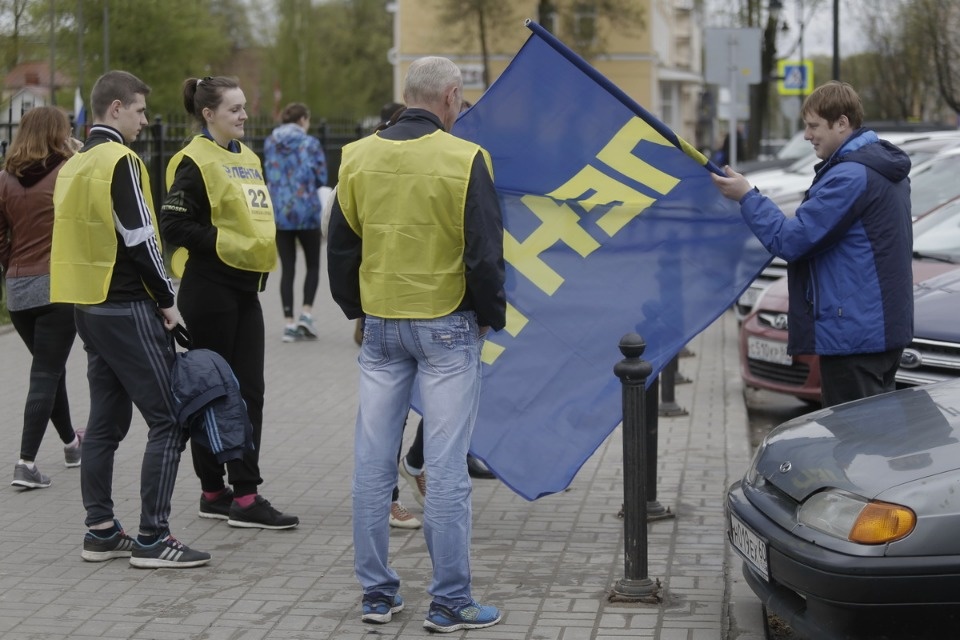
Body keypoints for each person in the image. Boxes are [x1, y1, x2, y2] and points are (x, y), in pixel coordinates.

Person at [327, 56, 506, 632]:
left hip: (381, 324)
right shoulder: (466, 158)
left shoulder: (357, 155)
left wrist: (357, 309)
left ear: (409, 95)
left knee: (370, 463)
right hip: (448, 325)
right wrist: (489, 316)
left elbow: (342, 246)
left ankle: (377, 596)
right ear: (451, 97)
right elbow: (484, 251)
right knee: (448, 469)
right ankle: (451, 602)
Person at [50, 70, 209, 567]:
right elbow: (141, 237)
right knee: (169, 419)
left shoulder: (76, 163)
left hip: (87, 305)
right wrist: (168, 301)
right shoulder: (121, 160)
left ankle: (99, 530)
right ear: (115, 109)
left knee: (105, 423)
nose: (145, 120)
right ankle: (154, 537)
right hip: (126, 306)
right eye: (140, 110)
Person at [712, 81, 912, 407]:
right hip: (877, 329)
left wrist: (747, 197)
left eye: (813, 125)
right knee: (873, 441)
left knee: (855, 444)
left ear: (842, 123)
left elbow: (791, 240)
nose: (807, 135)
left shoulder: (852, 176)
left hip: (855, 335)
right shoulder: (878, 167)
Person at [160, 75, 298, 530]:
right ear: (208, 114)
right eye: (234, 109)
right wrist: (223, 243)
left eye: (243, 107)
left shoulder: (250, 157)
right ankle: (225, 493)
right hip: (208, 290)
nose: (243, 115)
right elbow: (174, 225)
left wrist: (242, 249)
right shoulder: (194, 161)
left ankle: (237, 492)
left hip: (244, 290)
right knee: (212, 392)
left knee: (250, 392)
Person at [0, 106, 82, 490]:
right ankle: (26, 462)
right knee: (46, 372)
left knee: (50, 369)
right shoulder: (69, 171)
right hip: (58, 286)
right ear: (57, 133)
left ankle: (70, 444)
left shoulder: (3, 179)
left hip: (18, 291)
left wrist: (12, 269)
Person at [263, 102, 328, 343]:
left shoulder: (270, 142)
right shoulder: (310, 143)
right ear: (302, 120)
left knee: (287, 267)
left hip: (280, 212)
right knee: (312, 265)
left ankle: (288, 323)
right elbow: (321, 176)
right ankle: (306, 314)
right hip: (307, 210)